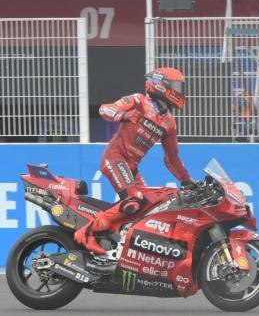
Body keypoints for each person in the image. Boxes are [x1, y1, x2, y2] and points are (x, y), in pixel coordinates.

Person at [74, 67, 194, 254]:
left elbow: (172, 158)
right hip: (115, 158)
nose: (179, 91)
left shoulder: (169, 123)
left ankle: (115, 241)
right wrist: (122, 115)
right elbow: (104, 109)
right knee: (134, 199)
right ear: (161, 85)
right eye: (176, 86)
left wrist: (188, 182)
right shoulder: (138, 101)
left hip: (132, 168)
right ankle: (87, 232)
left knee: (147, 207)